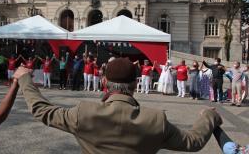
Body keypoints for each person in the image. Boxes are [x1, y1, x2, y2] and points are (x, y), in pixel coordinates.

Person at [14, 58, 223, 154]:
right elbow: (193, 142)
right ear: (134, 85)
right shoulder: (155, 120)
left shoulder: (84, 113)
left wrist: (25, 79)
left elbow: (42, 111)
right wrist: (209, 117)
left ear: (104, 83)